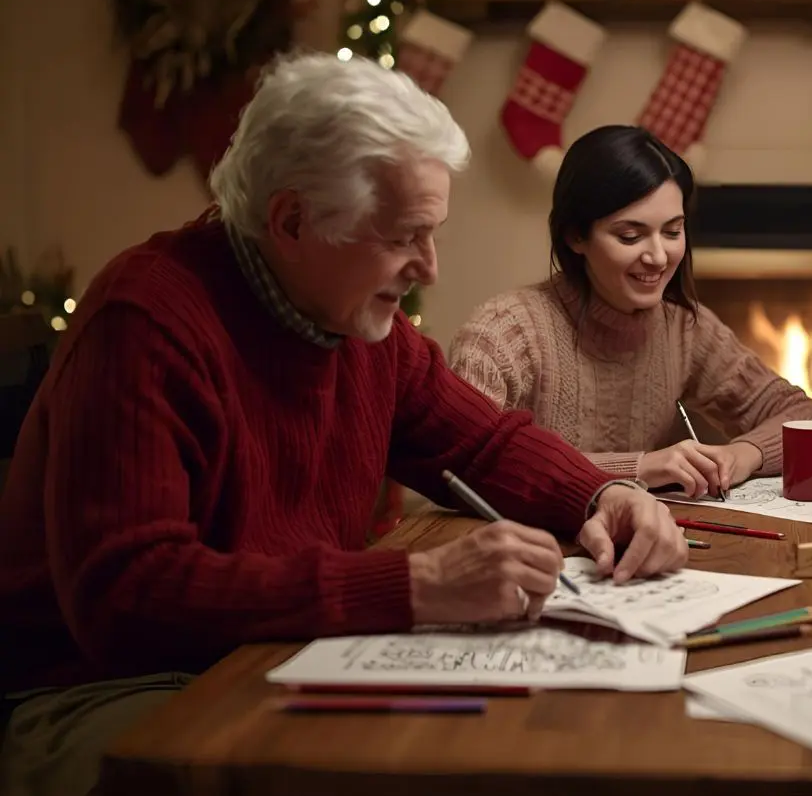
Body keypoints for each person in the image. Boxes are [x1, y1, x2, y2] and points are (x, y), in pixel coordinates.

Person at [0, 53, 685, 796]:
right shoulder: (146, 322)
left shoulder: (361, 326)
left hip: (281, 651)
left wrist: (599, 496)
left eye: (435, 232)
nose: (428, 267)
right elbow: (127, 597)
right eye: (401, 236)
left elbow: (482, 440)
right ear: (291, 219)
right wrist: (415, 584)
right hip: (109, 690)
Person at [450, 125, 812, 498]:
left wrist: (742, 455)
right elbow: (463, 463)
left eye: (673, 232)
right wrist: (640, 468)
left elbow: (804, 415)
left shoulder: (683, 328)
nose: (658, 257)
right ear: (575, 236)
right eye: (630, 236)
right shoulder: (502, 333)